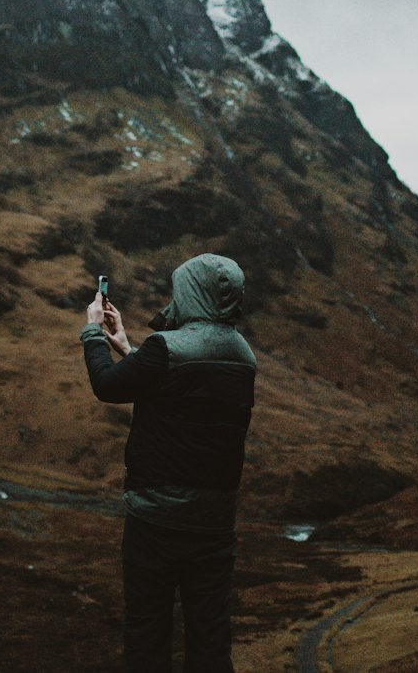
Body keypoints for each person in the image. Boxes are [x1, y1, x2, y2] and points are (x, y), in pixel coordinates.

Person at [80, 253, 256, 673]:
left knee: (147, 634)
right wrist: (126, 347)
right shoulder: (242, 354)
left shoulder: (166, 348)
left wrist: (91, 332)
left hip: (156, 520)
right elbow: (178, 385)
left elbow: (107, 386)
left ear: (191, 292)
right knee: (210, 639)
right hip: (215, 523)